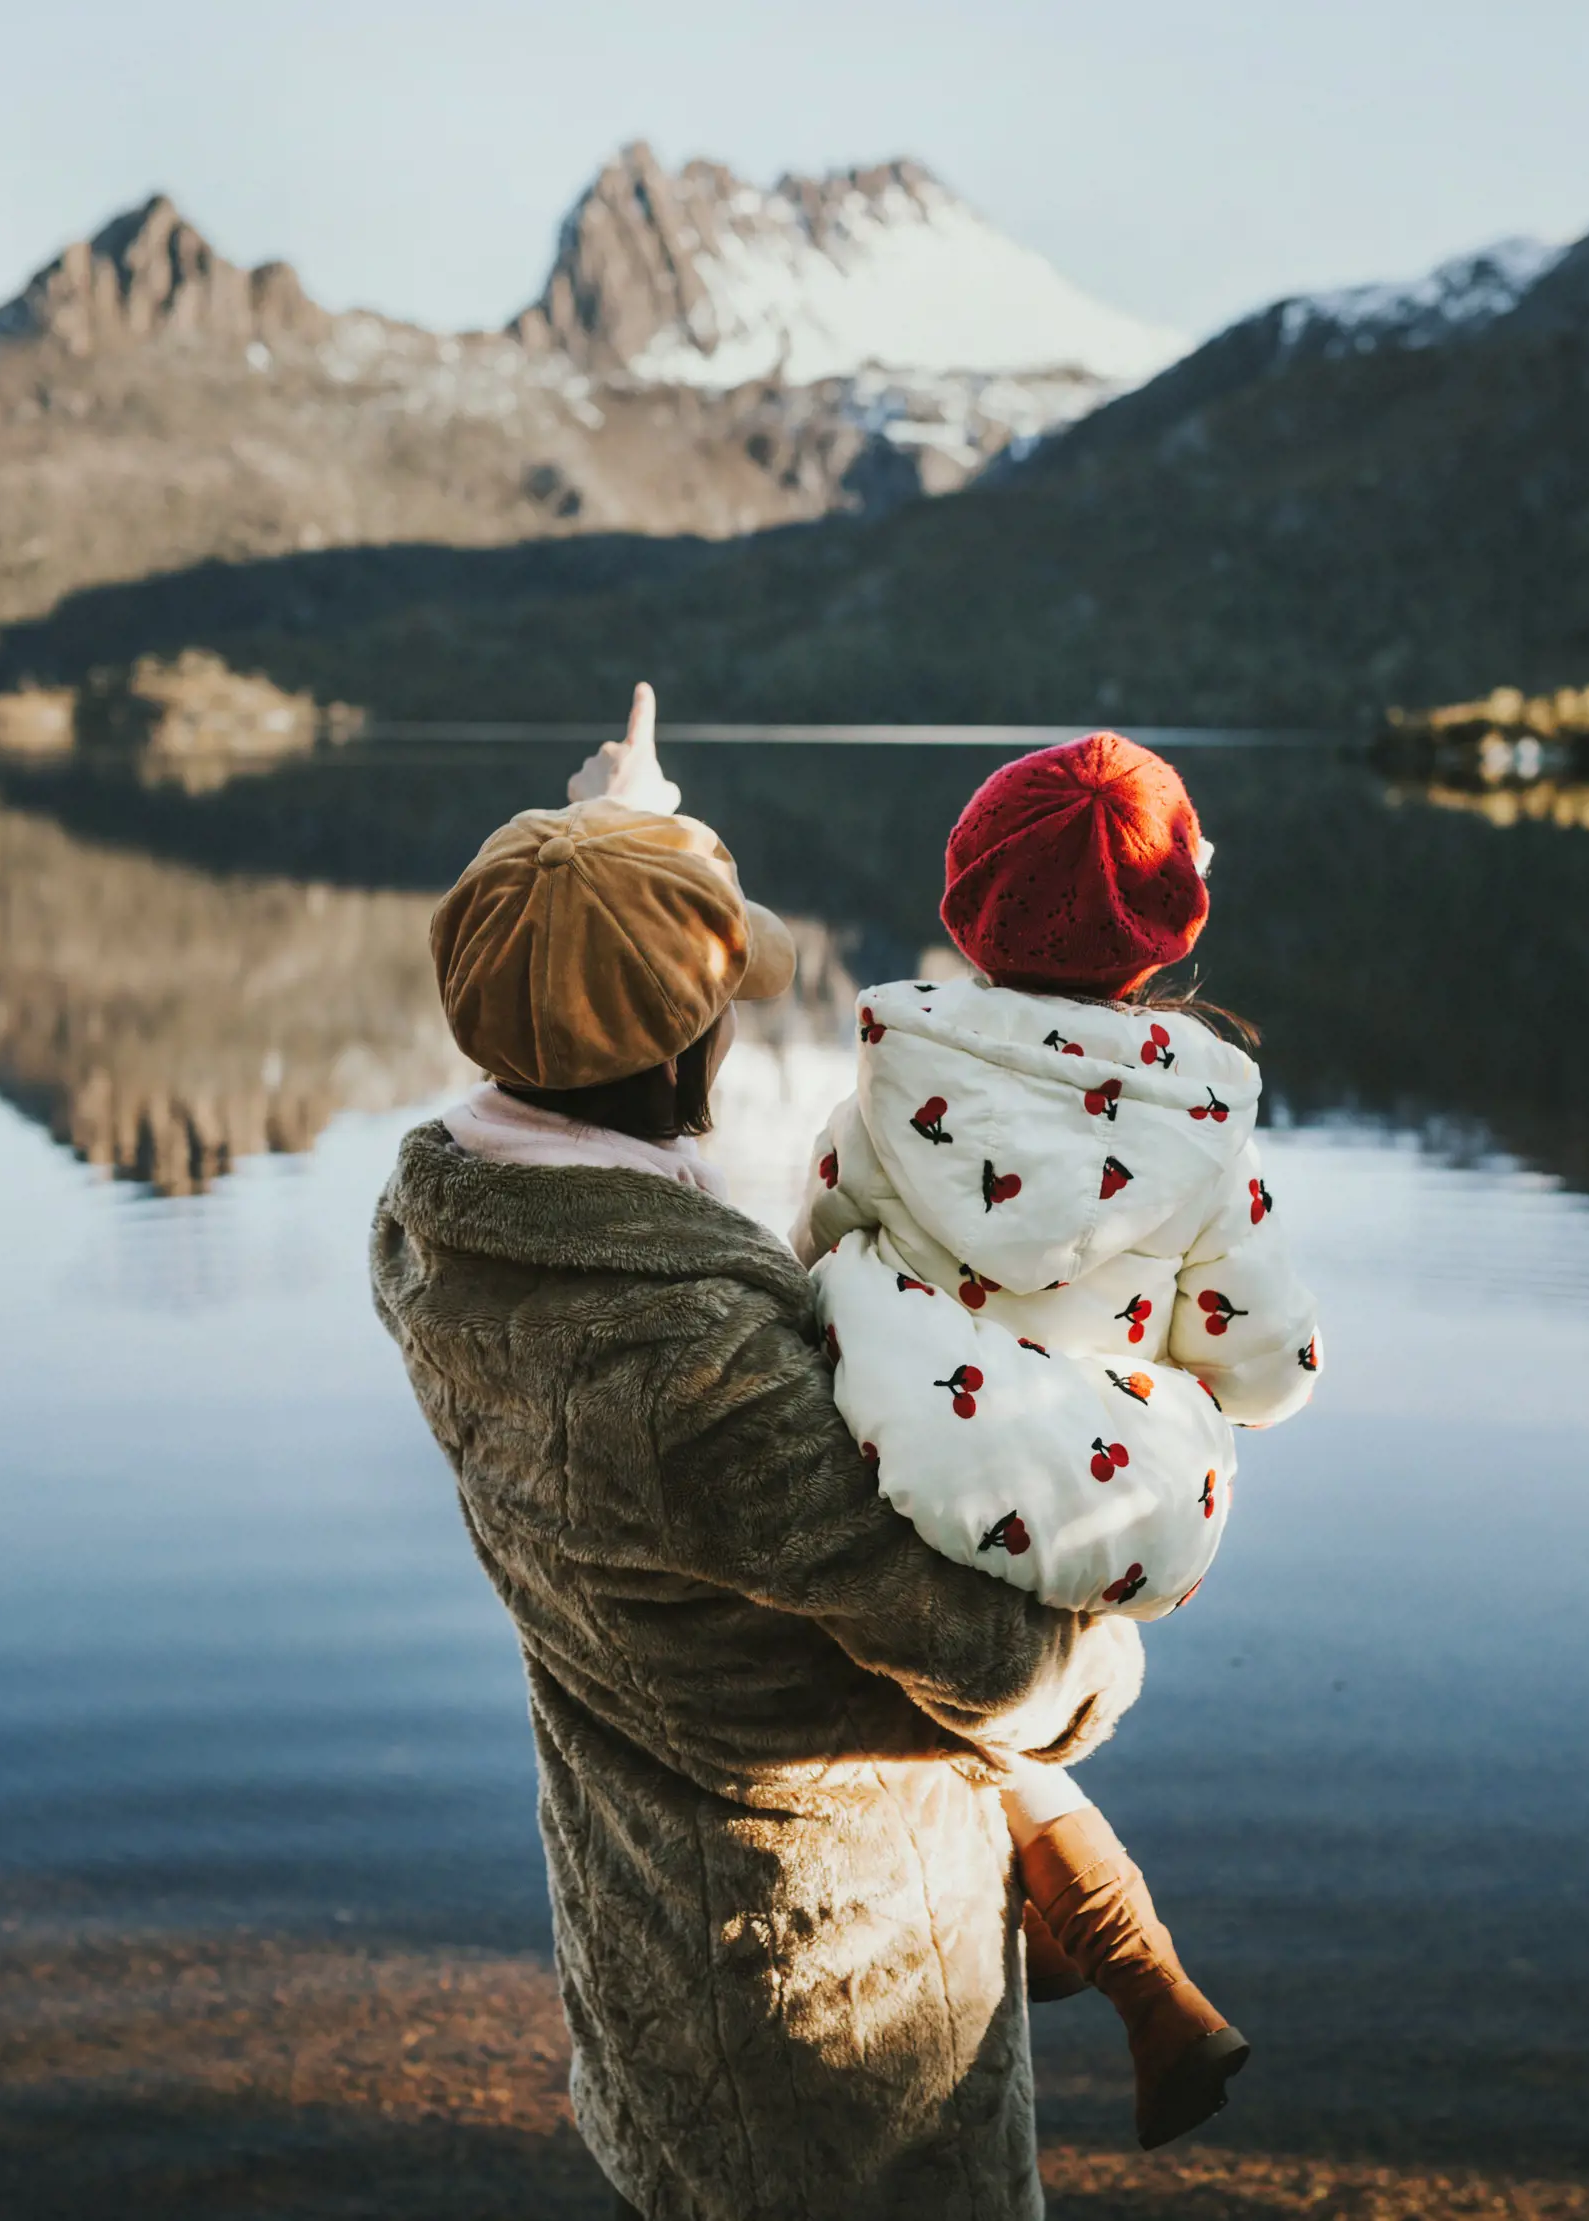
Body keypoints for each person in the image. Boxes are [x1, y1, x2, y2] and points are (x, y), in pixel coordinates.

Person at [368, 687, 1144, 2221]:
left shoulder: (448, 1234)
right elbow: (1006, 1671)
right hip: (833, 2002)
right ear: (682, 1053)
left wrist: (623, 824)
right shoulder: (690, 1366)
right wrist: (1115, 1614)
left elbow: (565, 970)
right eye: (716, 999)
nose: (736, 1023)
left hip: (650, 1924)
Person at [794, 731, 1320, 2150]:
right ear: (1170, 928)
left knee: (926, 1668)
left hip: (915, 1460)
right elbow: (1267, 1370)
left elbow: (813, 1243)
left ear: (970, 909)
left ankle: (1111, 1959)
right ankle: (1123, 1970)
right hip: (1108, 1513)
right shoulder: (1207, 1125)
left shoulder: (888, 1084)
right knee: (986, 1711)